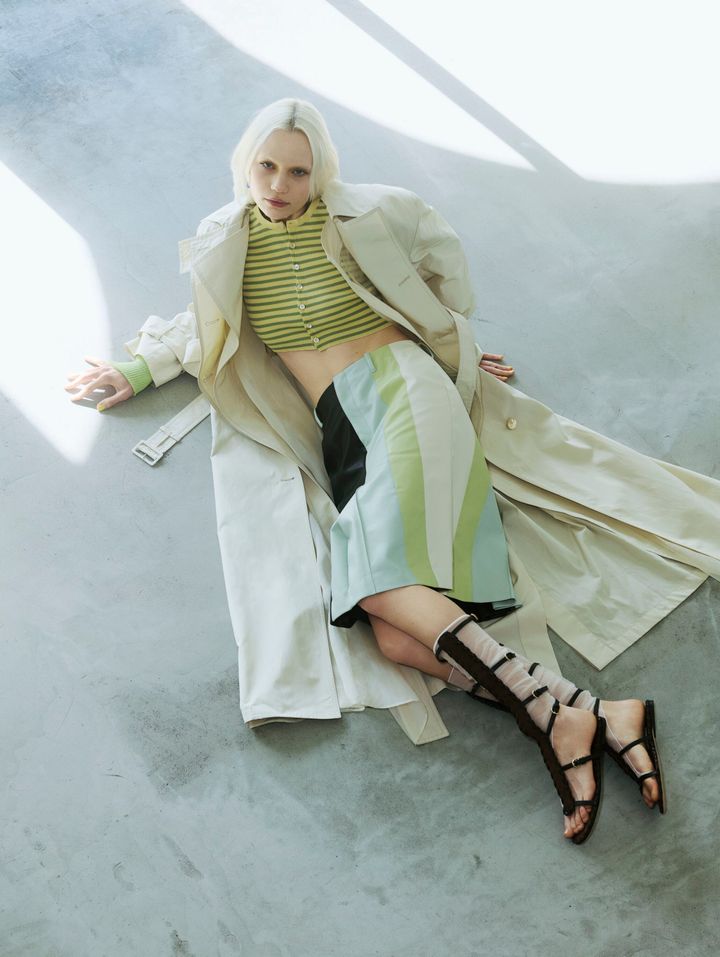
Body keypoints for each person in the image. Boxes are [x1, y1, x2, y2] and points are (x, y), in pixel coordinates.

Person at [66, 98, 683, 845]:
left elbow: (440, 262)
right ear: (245, 165)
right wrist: (135, 369)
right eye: (267, 166)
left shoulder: (364, 214)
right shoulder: (227, 240)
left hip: (402, 391)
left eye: (299, 171)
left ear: (320, 171)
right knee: (393, 640)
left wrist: (452, 337)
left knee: (379, 588)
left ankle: (552, 723)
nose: (280, 185)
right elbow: (200, 321)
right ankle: (593, 711)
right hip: (340, 431)